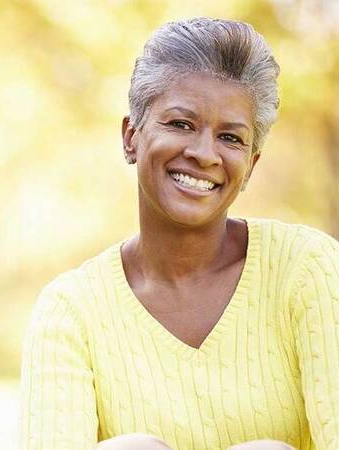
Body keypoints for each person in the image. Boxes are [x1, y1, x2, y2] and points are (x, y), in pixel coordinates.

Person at [19, 17, 339, 450]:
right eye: (181, 124)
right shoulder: (71, 311)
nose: (204, 154)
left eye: (230, 137)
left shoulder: (308, 268)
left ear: (251, 166)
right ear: (132, 137)